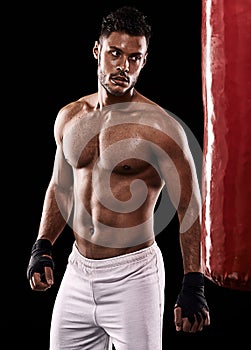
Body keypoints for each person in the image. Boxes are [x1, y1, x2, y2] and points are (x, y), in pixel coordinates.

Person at [27, 5, 210, 349]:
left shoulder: (160, 128)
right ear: (98, 51)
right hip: (78, 271)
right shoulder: (70, 117)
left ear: (144, 60)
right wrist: (43, 245)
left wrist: (193, 282)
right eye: (115, 53)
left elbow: (189, 205)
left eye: (134, 57)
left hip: (134, 276)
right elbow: (60, 186)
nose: (123, 65)